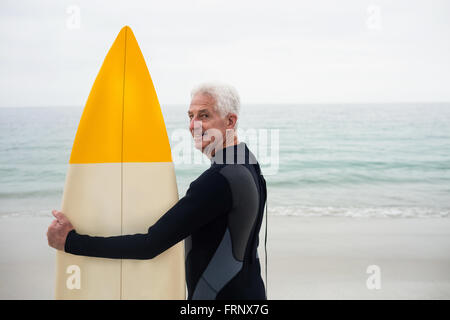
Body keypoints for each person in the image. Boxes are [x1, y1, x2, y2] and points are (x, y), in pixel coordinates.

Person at [47, 83, 267, 300]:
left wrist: (70, 241)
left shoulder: (217, 181)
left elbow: (150, 245)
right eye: (190, 116)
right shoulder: (249, 164)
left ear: (230, 121)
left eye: (204, 115)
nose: (193, 125)